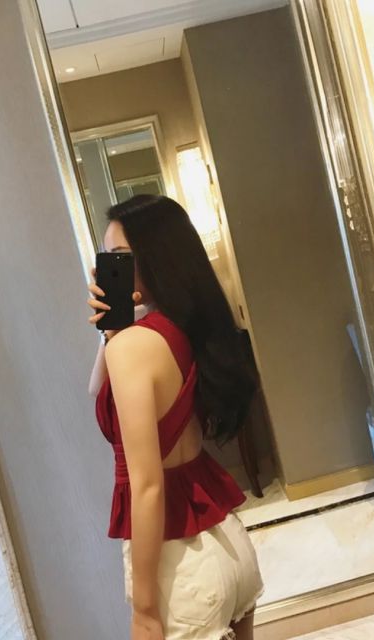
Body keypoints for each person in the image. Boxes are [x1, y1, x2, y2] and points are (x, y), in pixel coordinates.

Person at [87, 195, 264, 640]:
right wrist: (111, 331)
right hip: (225, 543)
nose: (108, 269)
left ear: (157, 257)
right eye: (106, 257)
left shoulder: (133, 347)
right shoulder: (183, 328)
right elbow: (96, 389)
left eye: (120, 257)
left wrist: (145, 610)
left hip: (180, 572)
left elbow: (148, 486)